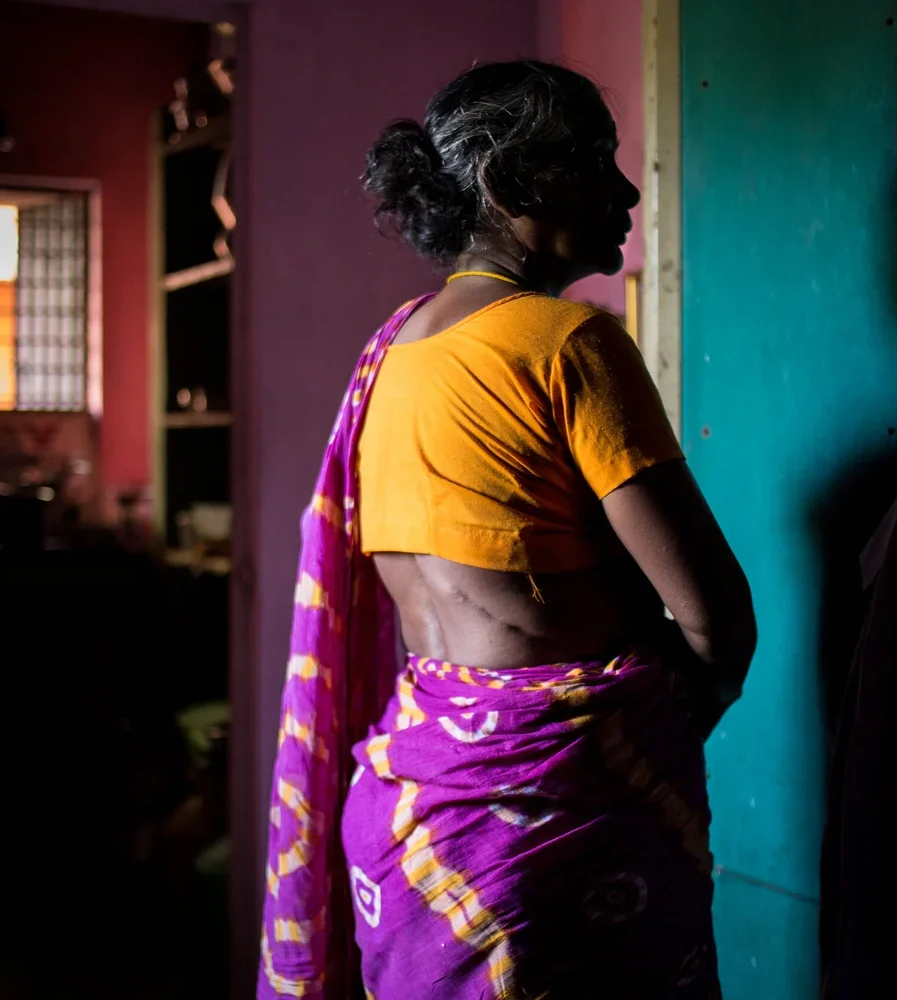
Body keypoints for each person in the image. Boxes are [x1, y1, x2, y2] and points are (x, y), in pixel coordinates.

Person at [261, 61, 755, 1000]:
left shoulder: (394, 351)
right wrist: (624, 741)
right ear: (511, 184)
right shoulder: (570, 343)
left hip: (408, 822)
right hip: (547, 844)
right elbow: (716, 618)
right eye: (594, 161)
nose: (627, 189)